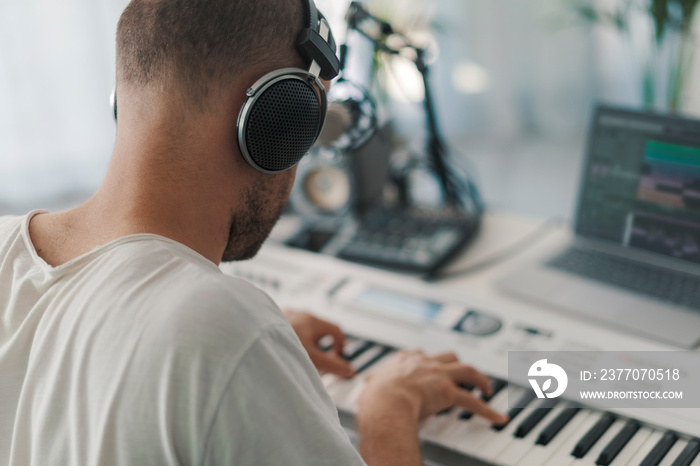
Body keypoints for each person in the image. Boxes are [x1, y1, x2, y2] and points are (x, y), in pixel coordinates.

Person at [0, 0, 507, 465]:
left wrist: (249, 357)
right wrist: (388, 409)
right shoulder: (222, 327)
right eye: (307, 123)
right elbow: (195, 336)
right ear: (274, 114)